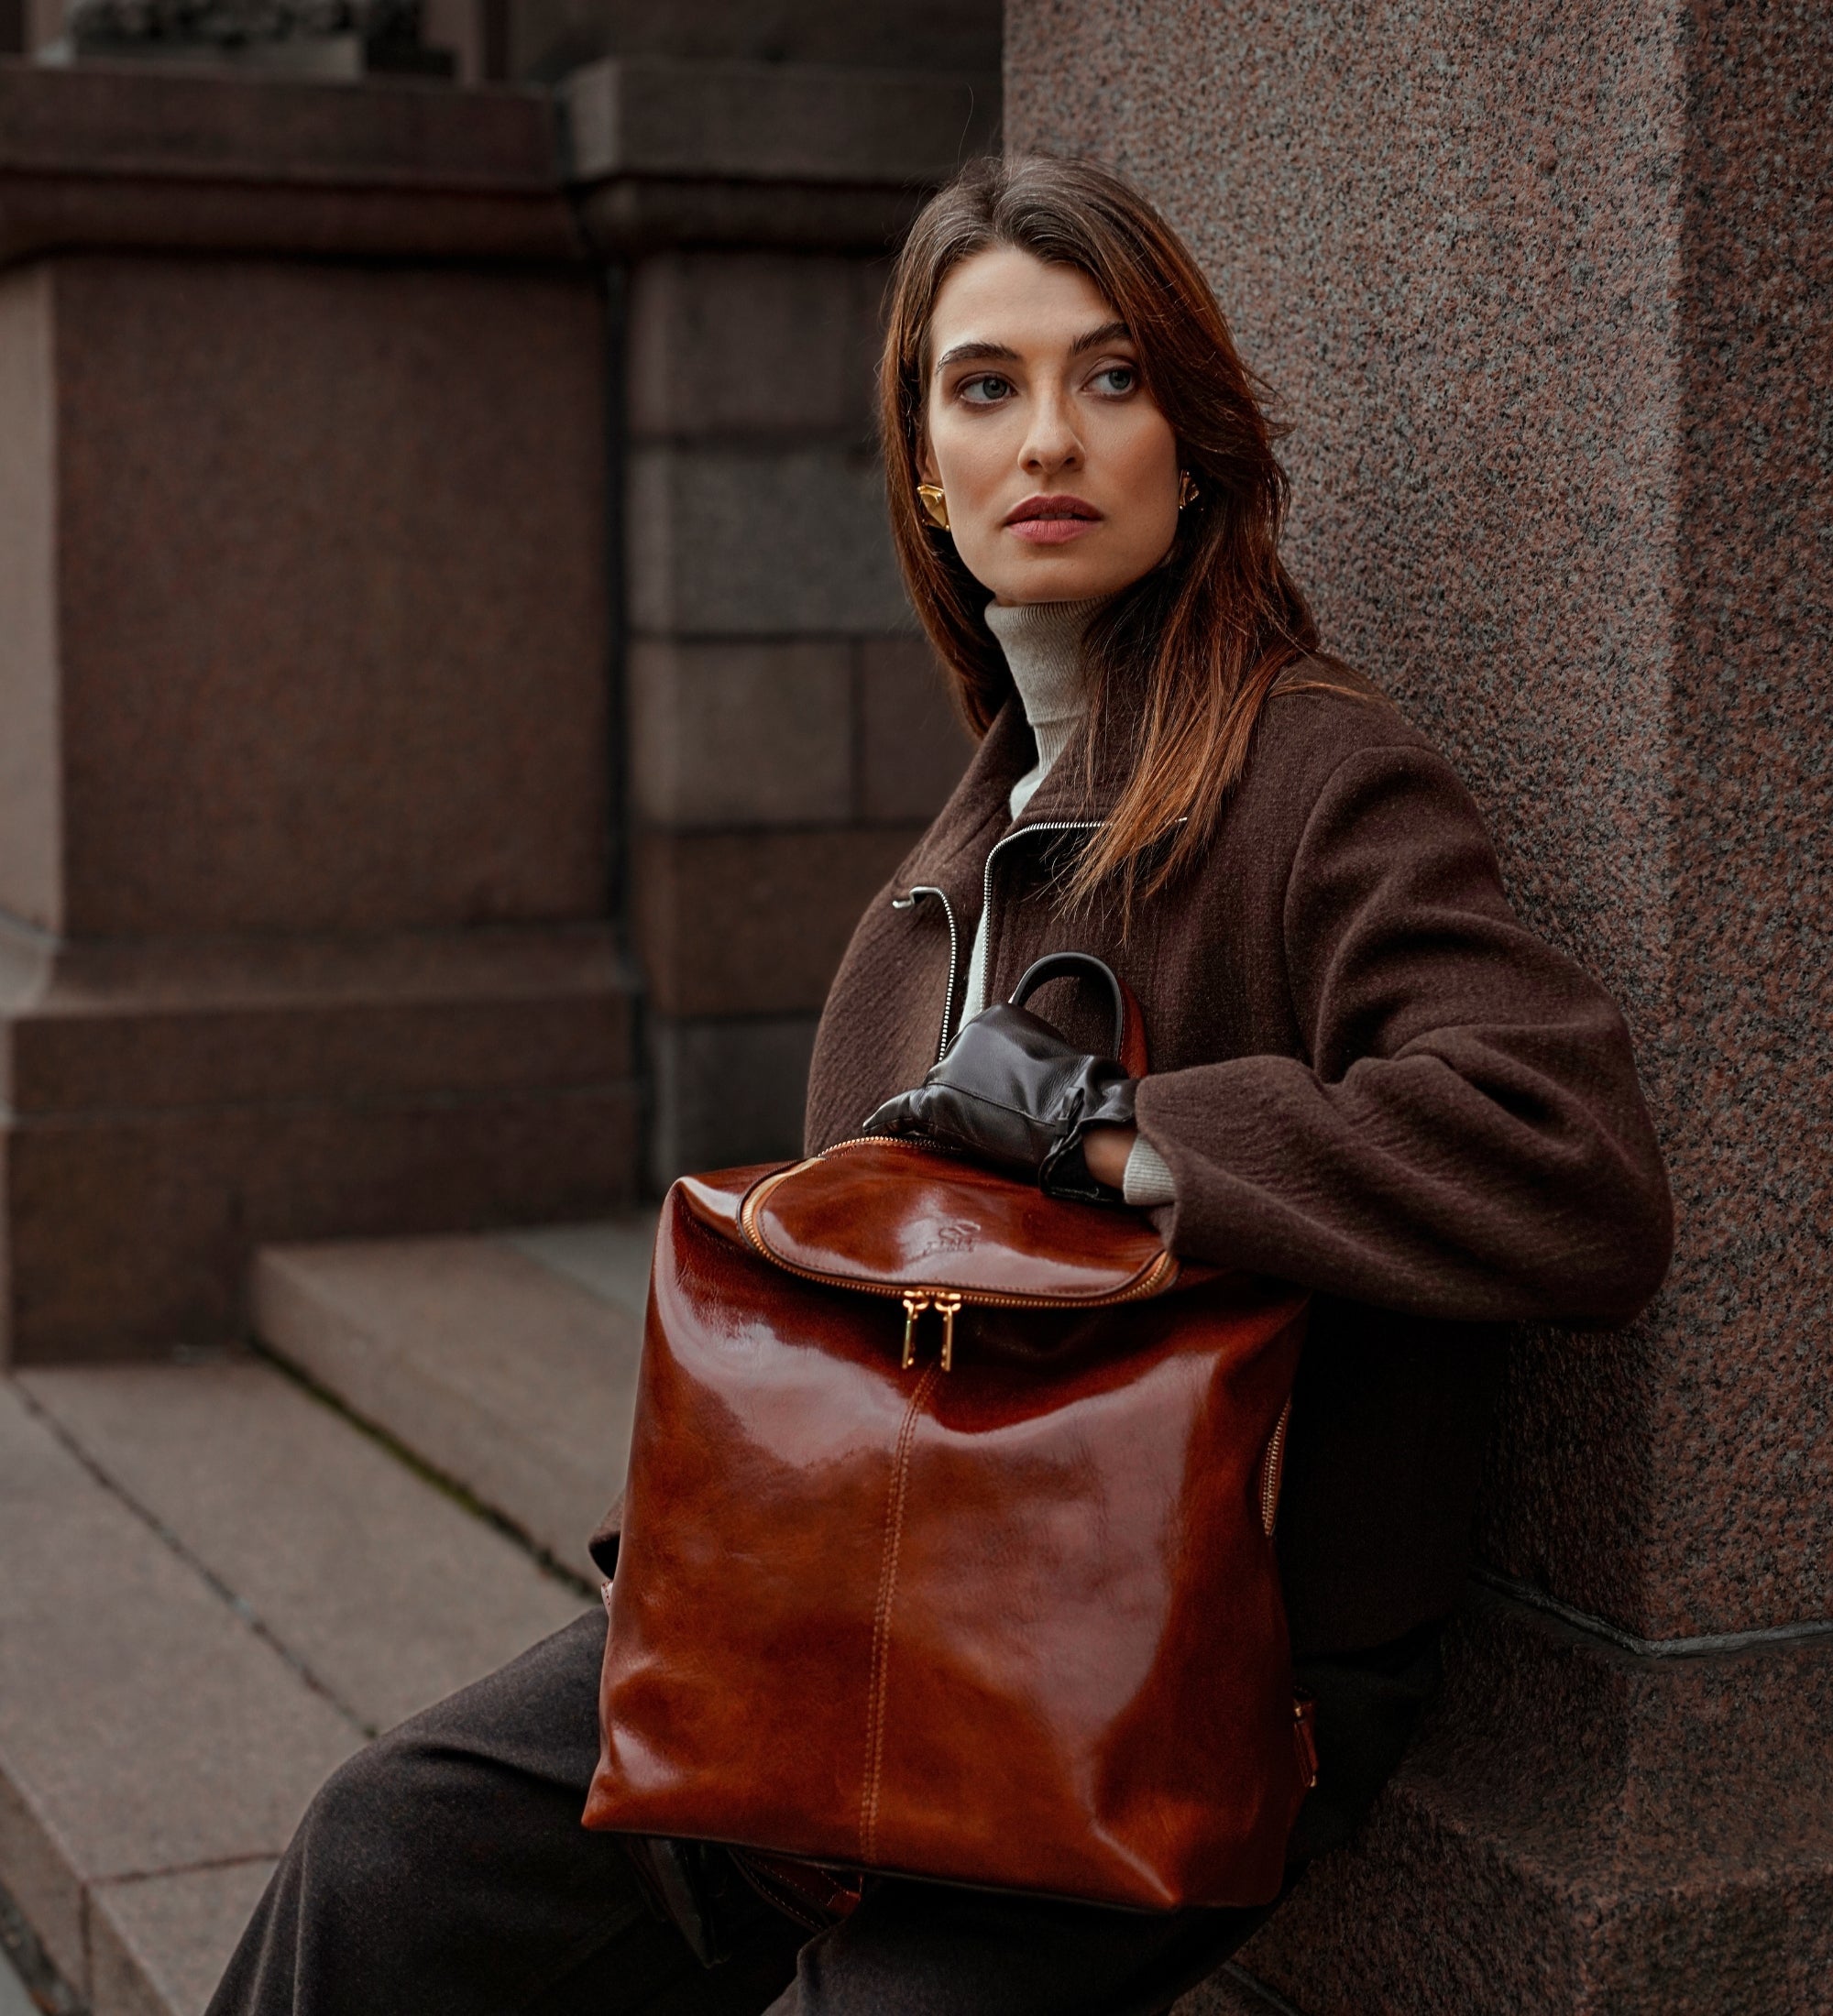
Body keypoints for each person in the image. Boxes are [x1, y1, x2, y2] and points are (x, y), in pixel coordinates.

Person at [206, 154, 1672, 2016]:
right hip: (854, 1611)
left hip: (1165, 1680)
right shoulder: (932, 883)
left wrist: (1121, 1134)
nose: (1047, 434)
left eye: (1110, 376)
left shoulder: (1317, 781)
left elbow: (1578, 1160)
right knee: (385, 1852)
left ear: (1193, 442)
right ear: (924, 470)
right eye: (984, 386)